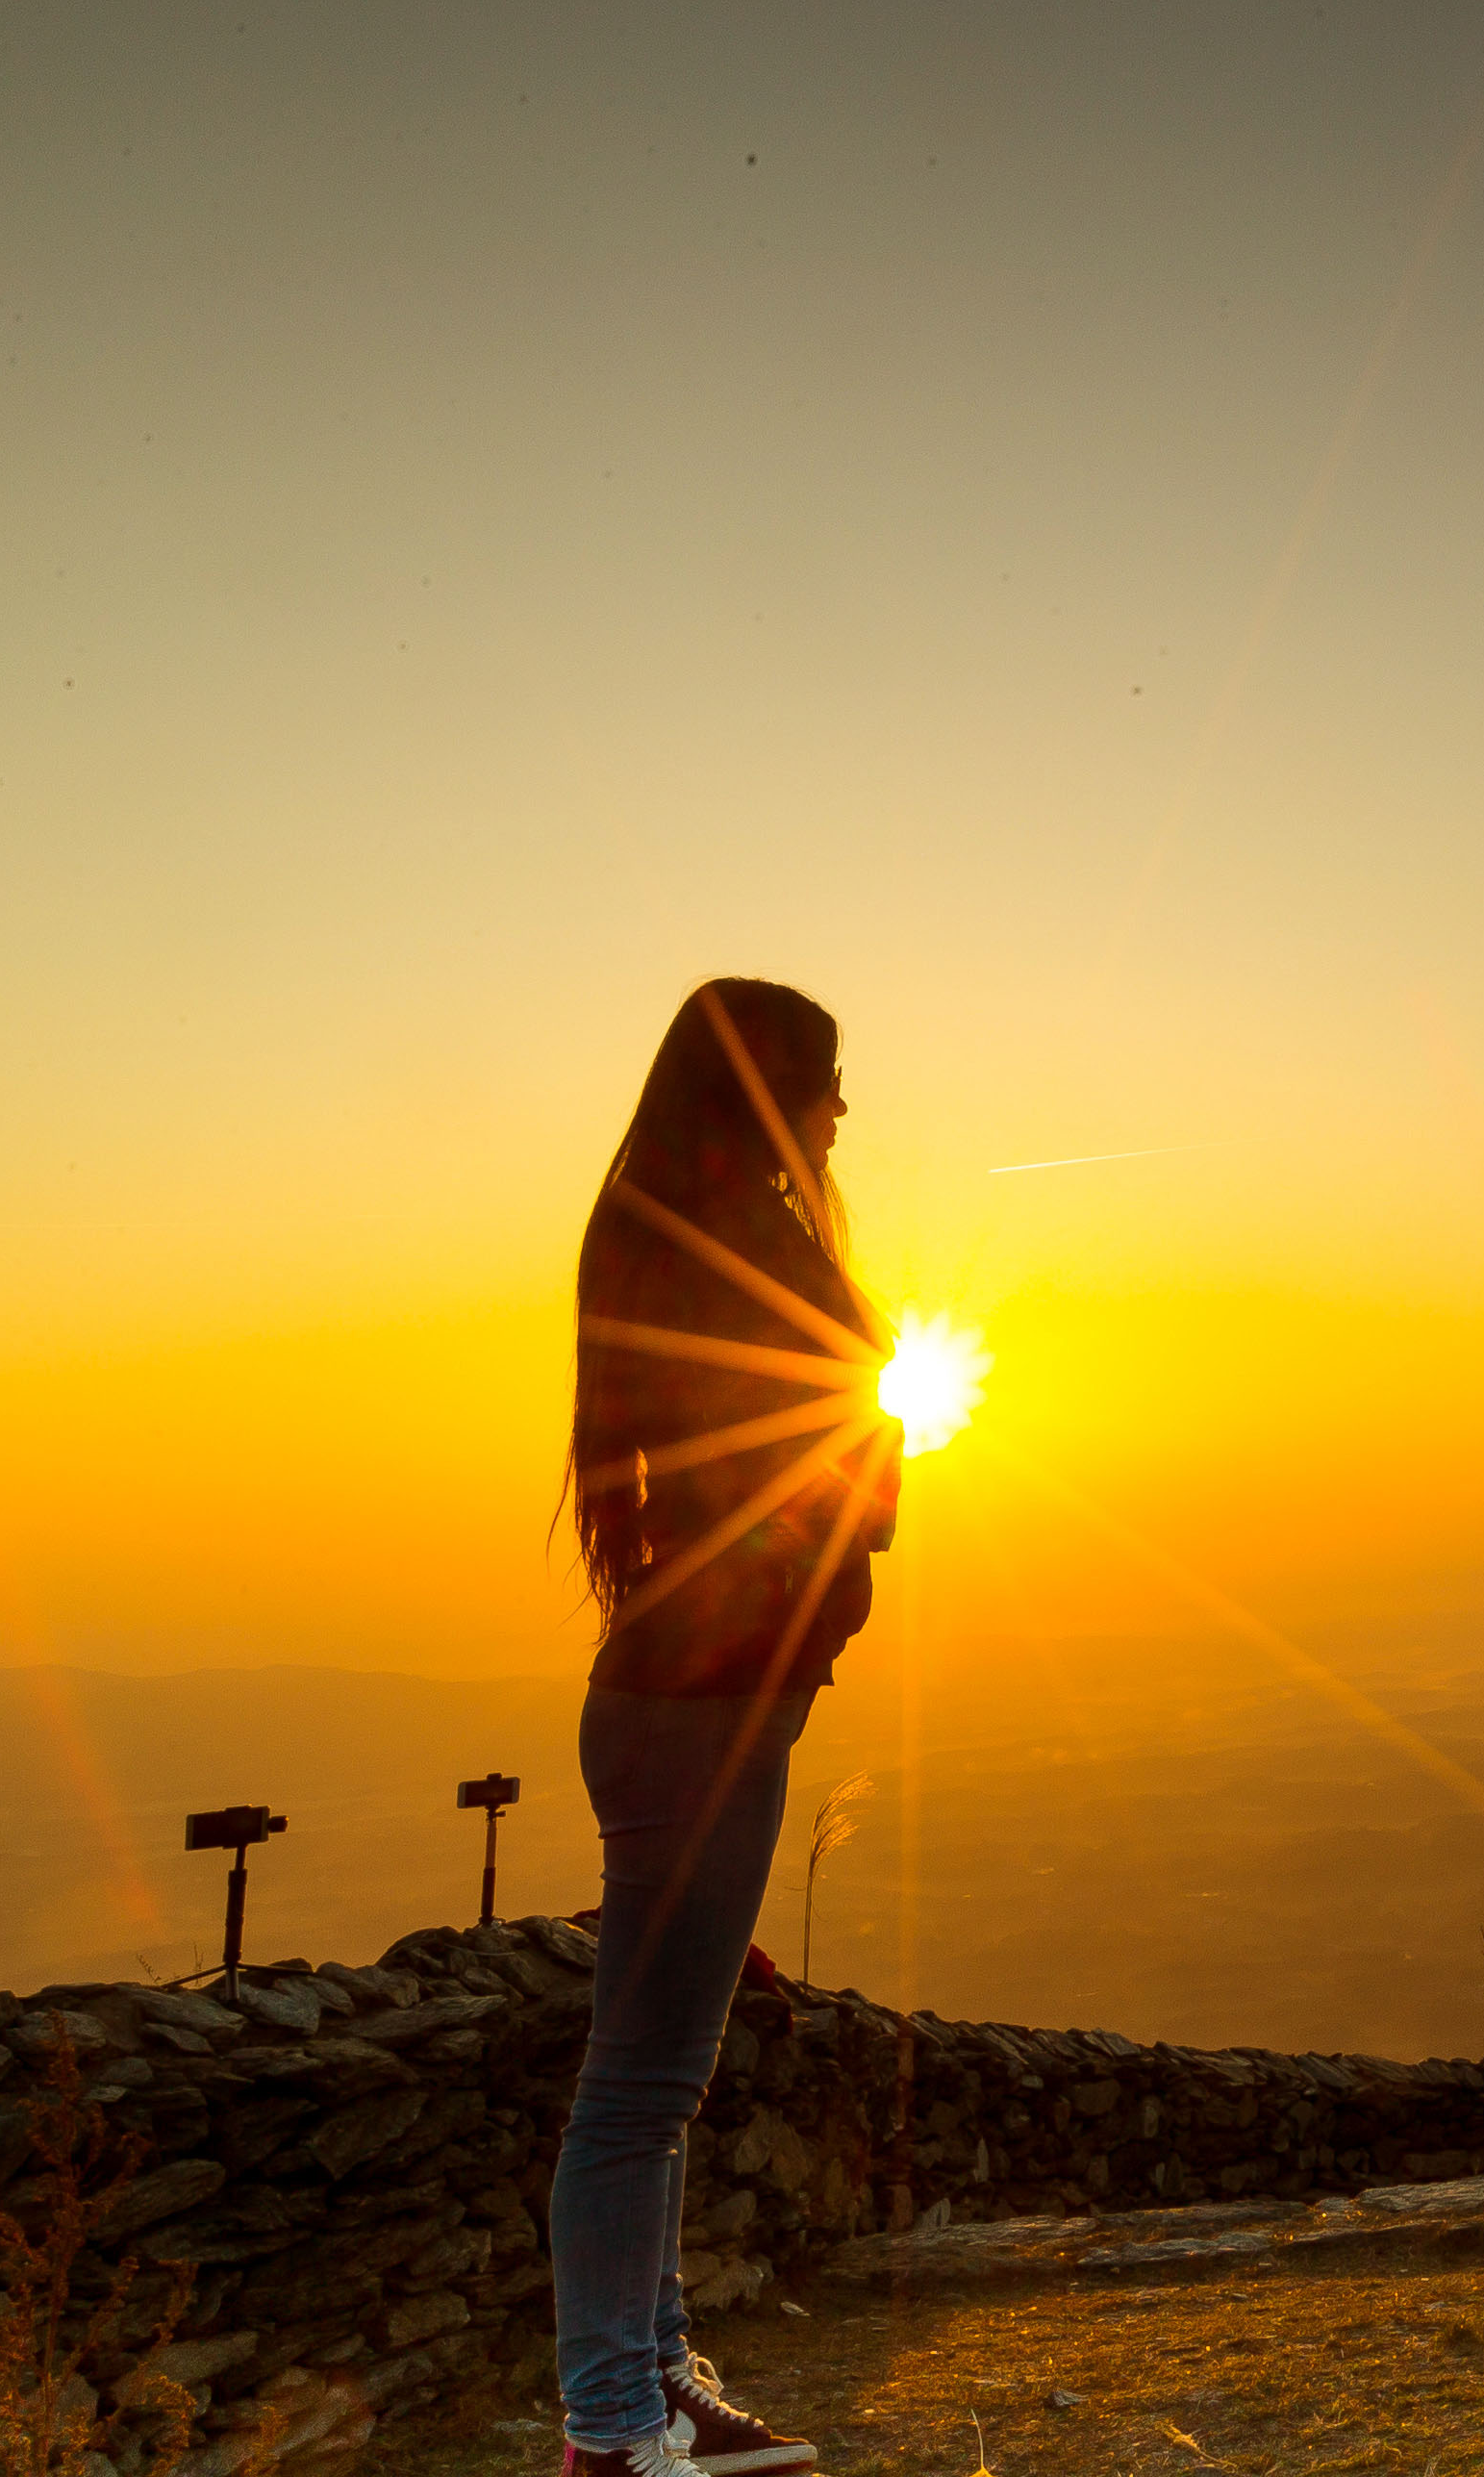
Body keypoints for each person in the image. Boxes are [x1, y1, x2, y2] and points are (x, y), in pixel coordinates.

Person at [552, 978, 904, 2477]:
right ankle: (612, 2429)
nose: (847, 1110)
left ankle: (650, 2380)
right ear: (771, 1095)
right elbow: (813, 1465)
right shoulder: (723, 1244)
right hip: (698, 1710)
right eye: (829, 1081)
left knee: (665, 2073)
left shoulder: (681, 1228)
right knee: (639, 2086)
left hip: (696, 1705)